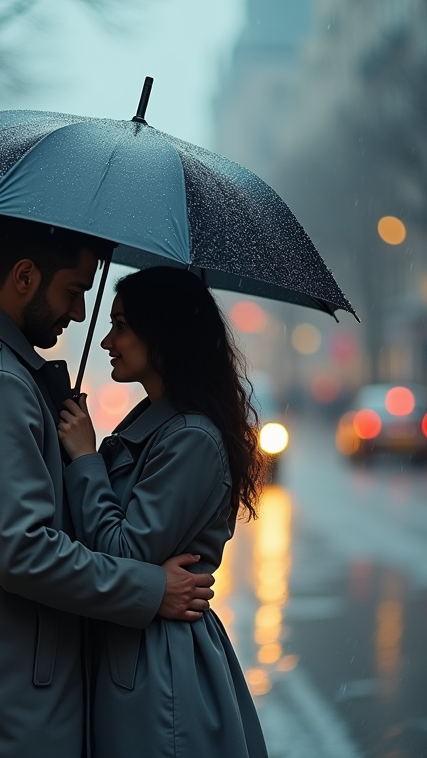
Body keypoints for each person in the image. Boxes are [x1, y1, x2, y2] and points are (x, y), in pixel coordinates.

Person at [0, 215, 215, 758]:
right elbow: (23, 549)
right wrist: (149, 588)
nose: (79, 313)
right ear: (24, 277)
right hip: (1, 655)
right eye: (74, 292)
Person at [57, 266, 269, 758]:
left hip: (158, 667)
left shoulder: (191, 438)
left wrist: (86, 460)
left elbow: (125, 551)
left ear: (164, 335)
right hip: (135, 648)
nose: (108, 340)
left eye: (123, 325)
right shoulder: (157, 423)